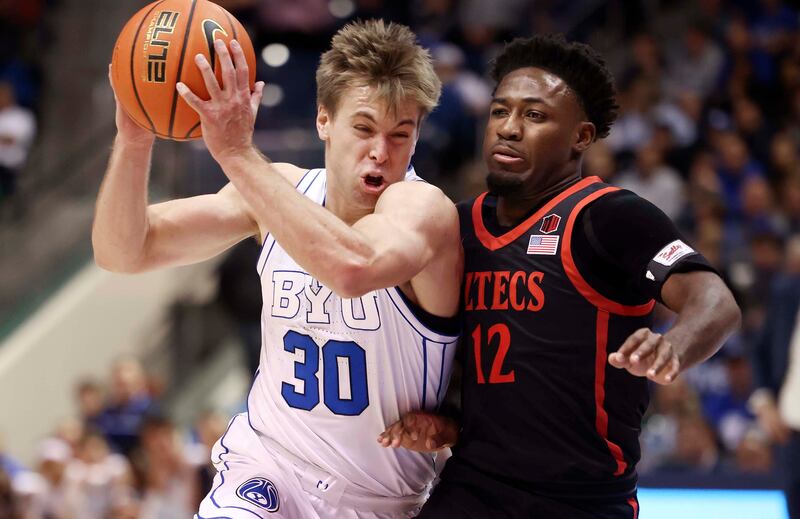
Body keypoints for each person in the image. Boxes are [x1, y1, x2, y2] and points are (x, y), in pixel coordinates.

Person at [93, 20, 462, 519]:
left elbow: (352, 269)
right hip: (268, 468)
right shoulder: (282, 189)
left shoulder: (423, 209)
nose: (381, 151)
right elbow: (124, 251)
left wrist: (237, 153)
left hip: (375, 499)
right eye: (363, 128)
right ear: (323, 120)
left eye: (401, 134)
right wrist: (134, 140)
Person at [378, 34, 741, 518]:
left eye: (534, 115)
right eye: (500, 111)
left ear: (581, 137)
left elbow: (715, 301)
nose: (509, 128)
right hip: (474, 485)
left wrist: (674, 345)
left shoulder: (610, 217)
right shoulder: (456, 226)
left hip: (582, 501)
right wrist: (445, 419)